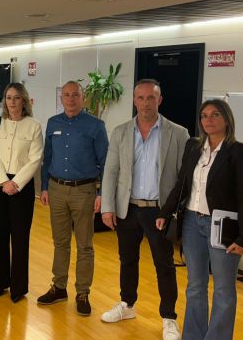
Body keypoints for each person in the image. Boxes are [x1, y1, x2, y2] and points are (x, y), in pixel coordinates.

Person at [157, 99, 243, 340]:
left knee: (223, 289)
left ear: (226, 119)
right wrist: (164, 212)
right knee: (195, 286)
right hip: (192, 222)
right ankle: (193, 335)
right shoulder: (193, 147)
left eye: (215, 115)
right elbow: (182, 184)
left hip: (222, 225)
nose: (208, 120)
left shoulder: (239, 151)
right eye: (204, 116)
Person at [100, 79, 189, 340]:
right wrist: (107, 207)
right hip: (127, 208)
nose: (145, 103)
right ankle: (127, 305)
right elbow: (111, 171)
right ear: (134, 100)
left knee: (164, 264)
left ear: (160, 100)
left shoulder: (178, 133)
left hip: (159, 211)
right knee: (127, 260)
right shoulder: (121, 132)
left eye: (151, 98)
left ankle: (169, 317)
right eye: (140, 98)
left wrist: (174, 211)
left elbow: (184, 177)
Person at [37, 80, 108, 316]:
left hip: (84, 191)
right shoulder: (53, 123)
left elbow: (106, 163)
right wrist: (45, 187)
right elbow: (47, 158)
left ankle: (82, 292)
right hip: (56, 189)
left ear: (83, 97)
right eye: (66, 95)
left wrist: (101, 194)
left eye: (75, 95)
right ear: (61, 98)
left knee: (85, 245)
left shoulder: (96, 126)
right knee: (60, 242)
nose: (70, 99)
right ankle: (59, 287)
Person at [0, 83, 43, 303]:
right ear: (4, 101)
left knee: (20, 238)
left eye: (16, 98)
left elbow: (35, 159)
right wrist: (3, 181)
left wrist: (16, 183)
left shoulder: (34, 126)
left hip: (22, 186)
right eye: (8, 98)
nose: (12, 102)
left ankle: (19, 287)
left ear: (24, 101)